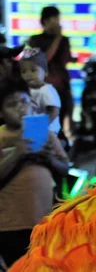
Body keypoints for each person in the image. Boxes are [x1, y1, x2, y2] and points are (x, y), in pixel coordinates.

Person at [0, 80, 69, 268]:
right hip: (9, 224)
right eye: (11, 105)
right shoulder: (1, 136)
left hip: (44, 222)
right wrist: (17, 154)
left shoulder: (46, 134)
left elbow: (65, 168)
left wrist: (48, 158)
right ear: (1, 112)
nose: (20, 108)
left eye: (24, 101)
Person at [28, 6, 73, 139]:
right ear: (46, 21)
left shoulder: (65, 40)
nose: (58, 22)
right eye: (55, 18)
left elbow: (65, 60)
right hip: (41, 87)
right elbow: (43, 60)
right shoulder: (35, 40)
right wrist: (57, 38)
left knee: (59, 119)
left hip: (61, 86)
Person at [19, 48, 61, 134]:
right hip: (32, 129)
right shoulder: (25, 90)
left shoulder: (46, 90)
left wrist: (42, 126)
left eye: (33, 70)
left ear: (45, 72)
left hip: (48, 131)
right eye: (23, 71)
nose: (28, 74)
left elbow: (54, 110)